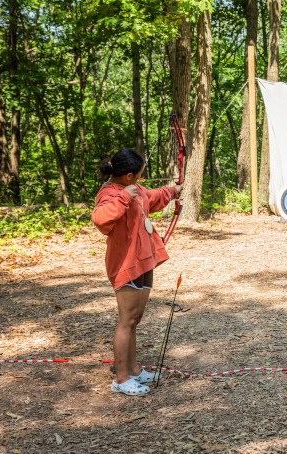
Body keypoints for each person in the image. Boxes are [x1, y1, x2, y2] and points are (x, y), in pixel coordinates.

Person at [91, 148, 181, 396]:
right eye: (139, 174)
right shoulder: (110, 193)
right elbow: (100, 218)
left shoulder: (134, 188)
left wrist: (173, 191)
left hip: (143, 259)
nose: (141, 178)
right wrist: (123, 197)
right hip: (125, 263)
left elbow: (151, 197)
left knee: (135, 319)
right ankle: (121, 379)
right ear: (128, 175)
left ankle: (133, 370)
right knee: (126, 321)